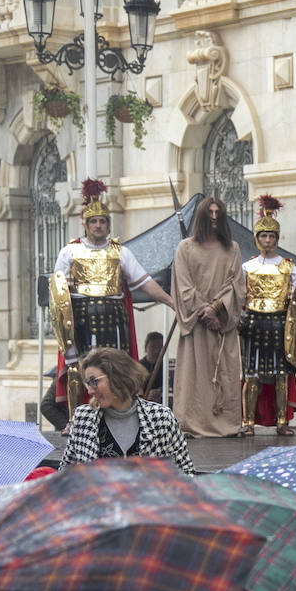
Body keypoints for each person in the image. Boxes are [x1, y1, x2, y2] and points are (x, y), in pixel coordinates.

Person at [49, 179, 175, 429]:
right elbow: (57, 294)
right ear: (85, 224)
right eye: (93, 221)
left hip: (114, 321)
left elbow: (144, 281)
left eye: (102, 221)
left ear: (108, 224)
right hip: (82, 321)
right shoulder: (69, 253)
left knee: (116, 370)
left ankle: (119, 417)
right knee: (79, 369)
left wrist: (171, 301)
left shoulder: (121, 252)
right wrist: (64, 333)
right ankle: (77, 420)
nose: (98, 225)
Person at [171, 195, 246, 438]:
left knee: (225, 374)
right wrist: (205, 310)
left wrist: (217, 310)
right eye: (210, 213)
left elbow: (236, 286)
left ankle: (227, 424)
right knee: (195, 378)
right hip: (197, 325)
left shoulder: (232, 249)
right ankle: (192, 424)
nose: (214, 217)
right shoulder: (185, 248)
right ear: (202, 217)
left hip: (222, 324)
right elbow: (182, 286)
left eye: (218, 213)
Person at [58, 346, 195, 475]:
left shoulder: (161, 417)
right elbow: (65, 474)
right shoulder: (83, 418)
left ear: (117, 378)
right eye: (88, 383)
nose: (90, 390)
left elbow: (185, 473)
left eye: (94, 381)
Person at [239, 195, 296, 437]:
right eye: (264, 236)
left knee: (280, 376)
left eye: (271, 236)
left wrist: (293, 335)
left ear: (277, 238)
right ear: (257, 238)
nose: (268, 240)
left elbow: (295, 305)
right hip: (254, 325)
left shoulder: (289, 267)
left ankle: (281, 421)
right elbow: (239, 299)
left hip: (278, 324)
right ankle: (247, 423)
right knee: (252, 376)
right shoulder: (247, 267)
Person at [138, 331, 165, 402]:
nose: (156, 351)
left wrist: (160, 392)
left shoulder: (166, 367)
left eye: (160, 347)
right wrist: (145, 395)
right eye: (153, 347)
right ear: (146, 348)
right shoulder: (138, 367)